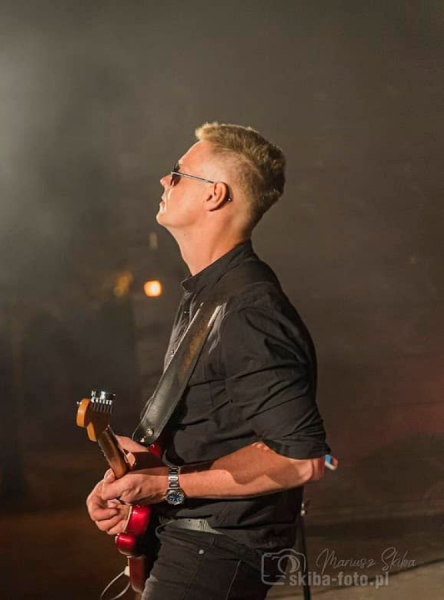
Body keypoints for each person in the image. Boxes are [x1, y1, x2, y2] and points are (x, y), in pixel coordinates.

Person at [86, 123, 329, 599]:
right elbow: (217, 431)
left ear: (214, 195)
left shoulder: (249, 308)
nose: (164, 180)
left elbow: (301, 459)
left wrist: (167, 486)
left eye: (177, 173)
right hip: (195, 544)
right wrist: (146, 467)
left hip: (217, 553)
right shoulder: (210, 295)